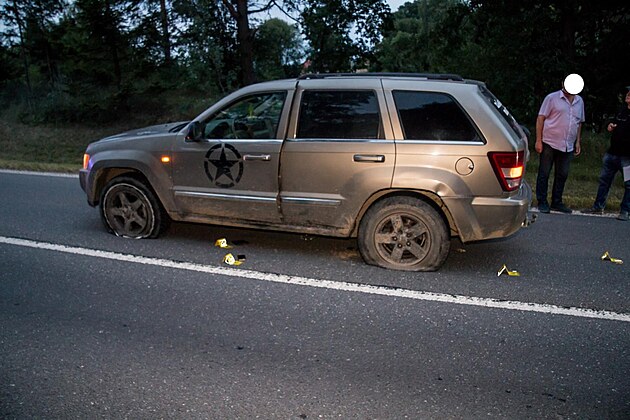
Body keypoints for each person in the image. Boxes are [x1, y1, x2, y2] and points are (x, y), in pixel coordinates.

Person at [535, 74, 585, 214]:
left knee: (562, 174)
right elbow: (540, 118)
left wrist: (577, 142)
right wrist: (538, 140)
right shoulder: (552, 98)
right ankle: (542, 201)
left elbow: (579, 122)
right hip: (550, 142)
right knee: (544, 173)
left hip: (568, 144)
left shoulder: (579, 101)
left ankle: (557, 201)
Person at [583, 88, 630, 221]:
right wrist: (610, 126)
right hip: (612, 153)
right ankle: (598, 206)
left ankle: (625, 210)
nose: (628, 95)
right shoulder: (622, 110)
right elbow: (613, 122)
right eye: (627, 93)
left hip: (627, 157)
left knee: (629, 184)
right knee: (604, 181)